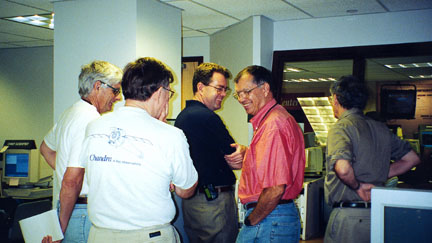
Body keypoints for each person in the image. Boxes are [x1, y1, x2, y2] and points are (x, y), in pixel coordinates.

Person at [71, 57, 198, 243]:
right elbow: (185, 191)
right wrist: (161, 127)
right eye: (169, 92)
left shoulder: (94, 127)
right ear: (159, 91)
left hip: (100, 235)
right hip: (149, 236)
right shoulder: (170, 136)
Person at [324, 75, 421, 243]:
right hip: (377, 215)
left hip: (349, 220)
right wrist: (382, 173)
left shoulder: (341, 128)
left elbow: (343, 168)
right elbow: (412, 159)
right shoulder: (380, 128)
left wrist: (358, 186)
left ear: (336, 99)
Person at [40, 60, 123, 242]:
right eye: (115, 91)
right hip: (80, 213)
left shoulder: (71, 112)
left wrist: (66, 171)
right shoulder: (89, 120)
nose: (118, 97)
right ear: (97, 86)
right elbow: (72, 180)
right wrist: (59, 229)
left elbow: (46, 149)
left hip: (69, 208)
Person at [233, 65, 305, 243]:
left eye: (247, 92)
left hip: (269, 218)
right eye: (238, 94)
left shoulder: (272, 125)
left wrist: (252, 221)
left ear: (265, 89)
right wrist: (249, 154)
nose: (242, 99)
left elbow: (275, 188)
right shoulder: (277, 118)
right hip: (275, 217)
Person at [175, 63, 245, 243]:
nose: (223, 94)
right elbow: (235, 157)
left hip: (195, 203)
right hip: (213, 204)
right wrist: (244, 150)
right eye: (219, 89)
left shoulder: (183, 117)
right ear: (200, 87)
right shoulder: (206, 117)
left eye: (225, 90)